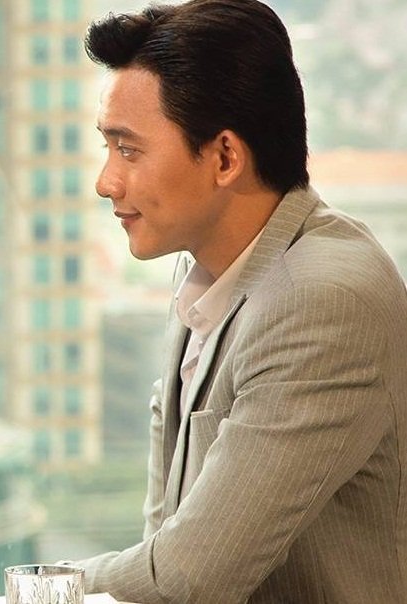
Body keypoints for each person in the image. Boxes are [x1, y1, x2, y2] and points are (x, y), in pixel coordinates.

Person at [56, 0, 407, 602]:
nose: (105, 181)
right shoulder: (206, 269)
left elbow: (190, 575)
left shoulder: (321, 300)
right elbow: (164, 537)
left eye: (128, 149)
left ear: (224, 157)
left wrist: (42, 588)